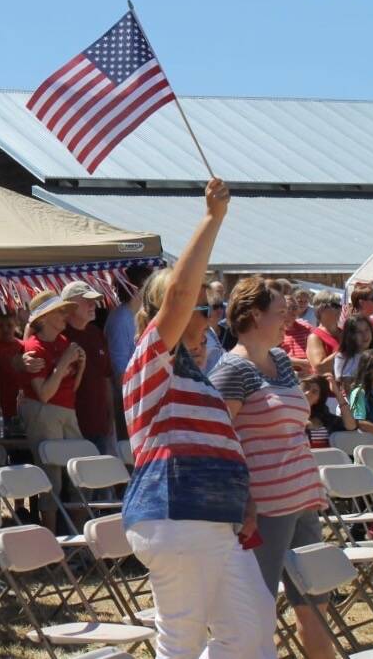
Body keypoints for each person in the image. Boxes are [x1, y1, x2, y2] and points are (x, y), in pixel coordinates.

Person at [123, 178, 273, 658]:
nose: (210, 318)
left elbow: (222, 445)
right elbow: (179, 293)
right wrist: (212, 218)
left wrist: (244, 500)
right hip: (176, 514)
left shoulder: (200, 379)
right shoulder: (152, 360)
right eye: (203, 308)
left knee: (252, 631)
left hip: (216, 520)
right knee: (182, 640)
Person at [209, 276, 331, 659]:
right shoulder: (231, 370)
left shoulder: (280, 360)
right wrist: (241, 499)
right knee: (258, 610)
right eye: (280, 312)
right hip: (264, 508)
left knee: (315, 602)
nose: (288, 320)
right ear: (254, 315)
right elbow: (216, 440)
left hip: (303, 497)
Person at [20, 289, 84, 533]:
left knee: (81, 472)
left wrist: (80, 364)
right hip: (44, 412)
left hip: (68, 410)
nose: (65, 315)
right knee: (51, 479)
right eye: (59, 311)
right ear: (44, 317)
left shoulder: (63, 343)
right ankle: (52, 540)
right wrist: (65, 361)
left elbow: (72, 387)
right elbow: (44, 394)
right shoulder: (33, 347)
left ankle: (81, 538)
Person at [61, 281, 116, 458]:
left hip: (100, 425)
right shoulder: (60, 336)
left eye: (94, 300)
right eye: (87, 301)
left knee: (101, 473)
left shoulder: (96, 333)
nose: (93, 305)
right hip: (72, 426)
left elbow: (106, 377)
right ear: (70, 305)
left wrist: (110, 415)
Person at [105, 265, 152, 442]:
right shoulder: (121, 319)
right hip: (128, 403)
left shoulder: (136, 316)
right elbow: (119, 371)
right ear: (137, 288)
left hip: (140, 400)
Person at [333, 315, 373, 390]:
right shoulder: (342, 357)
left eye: (367, 330)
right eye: (359, 332)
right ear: (350, 336)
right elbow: (340, 386)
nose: (365, 335)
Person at [302, 374, 357, 449]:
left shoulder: (328, 420)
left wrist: (337, 393)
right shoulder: (289, 415)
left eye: (314, 391)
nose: (307, 393)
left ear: (318, 399)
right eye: (305, 388)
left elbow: (351, 426)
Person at [306, 290, 343, 375]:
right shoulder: (314, 337)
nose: (340, 309)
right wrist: (345, 349)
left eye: (339, 305)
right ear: (320, 309)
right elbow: (319, 368)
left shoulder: (345, 332)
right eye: (335, 306)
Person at [281, 294, 313, 373]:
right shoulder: (274, 330)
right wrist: (302, 362)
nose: (293, 311)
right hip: (285, 372)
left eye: (295, 308)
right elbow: (274, 357)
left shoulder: (306, 327)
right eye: (289, 308)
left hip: (308, 373)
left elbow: (315, 353)